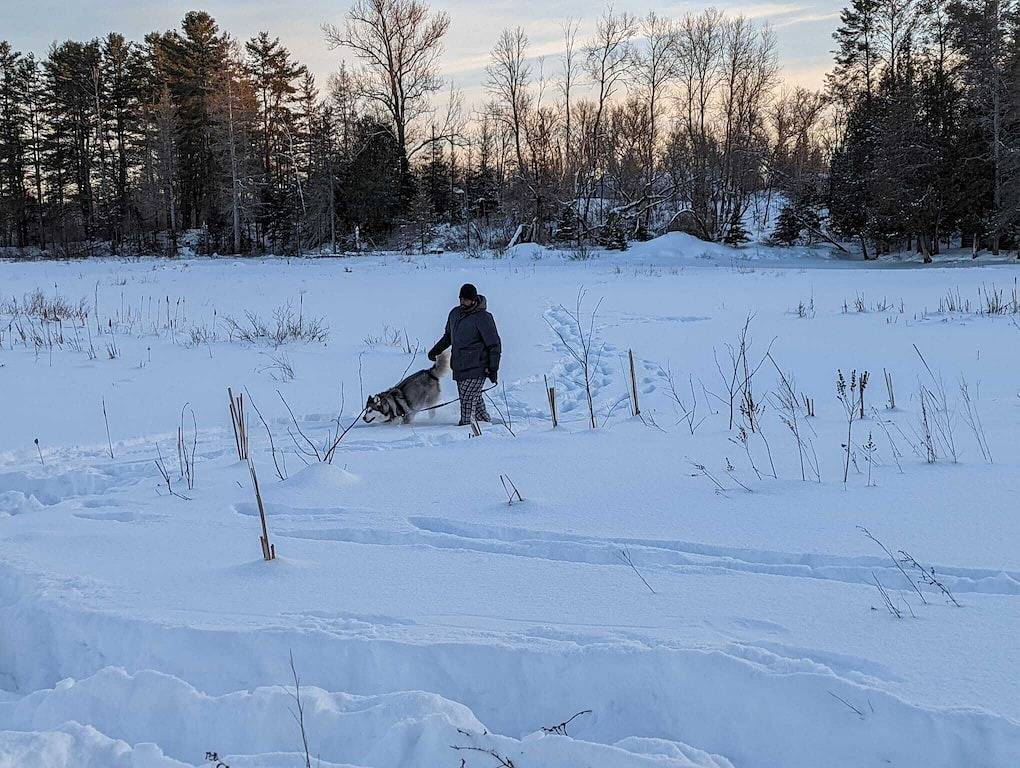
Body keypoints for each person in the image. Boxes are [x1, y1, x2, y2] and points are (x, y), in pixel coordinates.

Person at [428, 283, 501, 426]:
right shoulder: (454, 314)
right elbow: (448, 336)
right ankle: (486, 423)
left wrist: (493, 368)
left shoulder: (483, 317)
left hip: (478, 366)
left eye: (466, 299)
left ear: (474, 299)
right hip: (460, 366)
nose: (463, 302)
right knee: (474, 397)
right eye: (461, 299)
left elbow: (494, 345)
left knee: (467, 399)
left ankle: (465, 428)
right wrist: (436, 350)